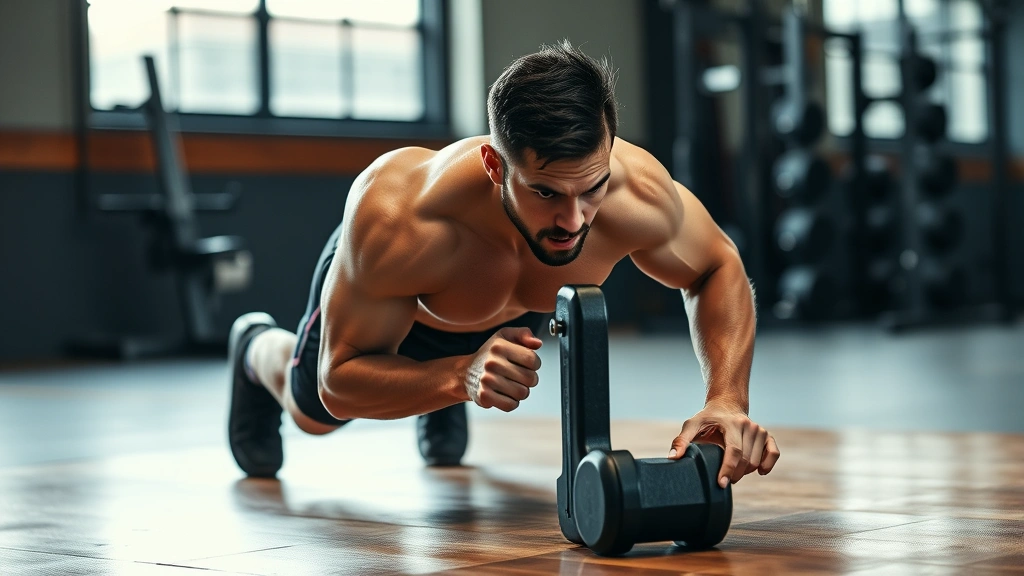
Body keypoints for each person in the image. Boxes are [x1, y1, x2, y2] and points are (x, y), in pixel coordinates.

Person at [227, 40, 780, 488]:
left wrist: (726, 399)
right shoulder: (400, 221)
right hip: (405, 308)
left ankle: (443, 394)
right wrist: (457, 375)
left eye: (591, 189)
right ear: (494, 165)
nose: (572, 220)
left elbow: (716, 266)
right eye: (544, 193)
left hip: (504, 313)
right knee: (312, 417)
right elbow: (339, 383)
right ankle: (254, 348)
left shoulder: (636, 192)